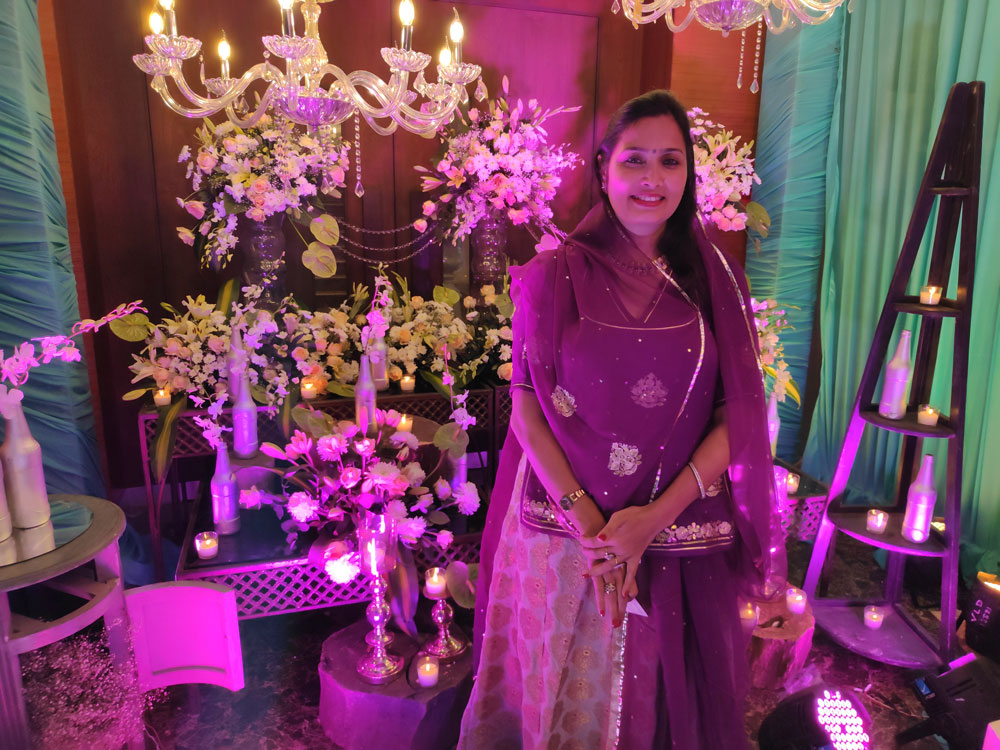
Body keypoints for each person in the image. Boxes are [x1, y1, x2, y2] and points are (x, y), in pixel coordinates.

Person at [458, 90, 775, 749]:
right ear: (604, 167)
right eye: (635, 159)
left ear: (689, 174)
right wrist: (595, 532)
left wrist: (650, 521)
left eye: (670, 161)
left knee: (661, 710)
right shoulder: (552, 274)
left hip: (677, 531)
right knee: (563, 702)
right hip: (563, 535)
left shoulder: (716, 277)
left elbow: (738, 413)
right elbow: (525, 406)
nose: (652, 179)